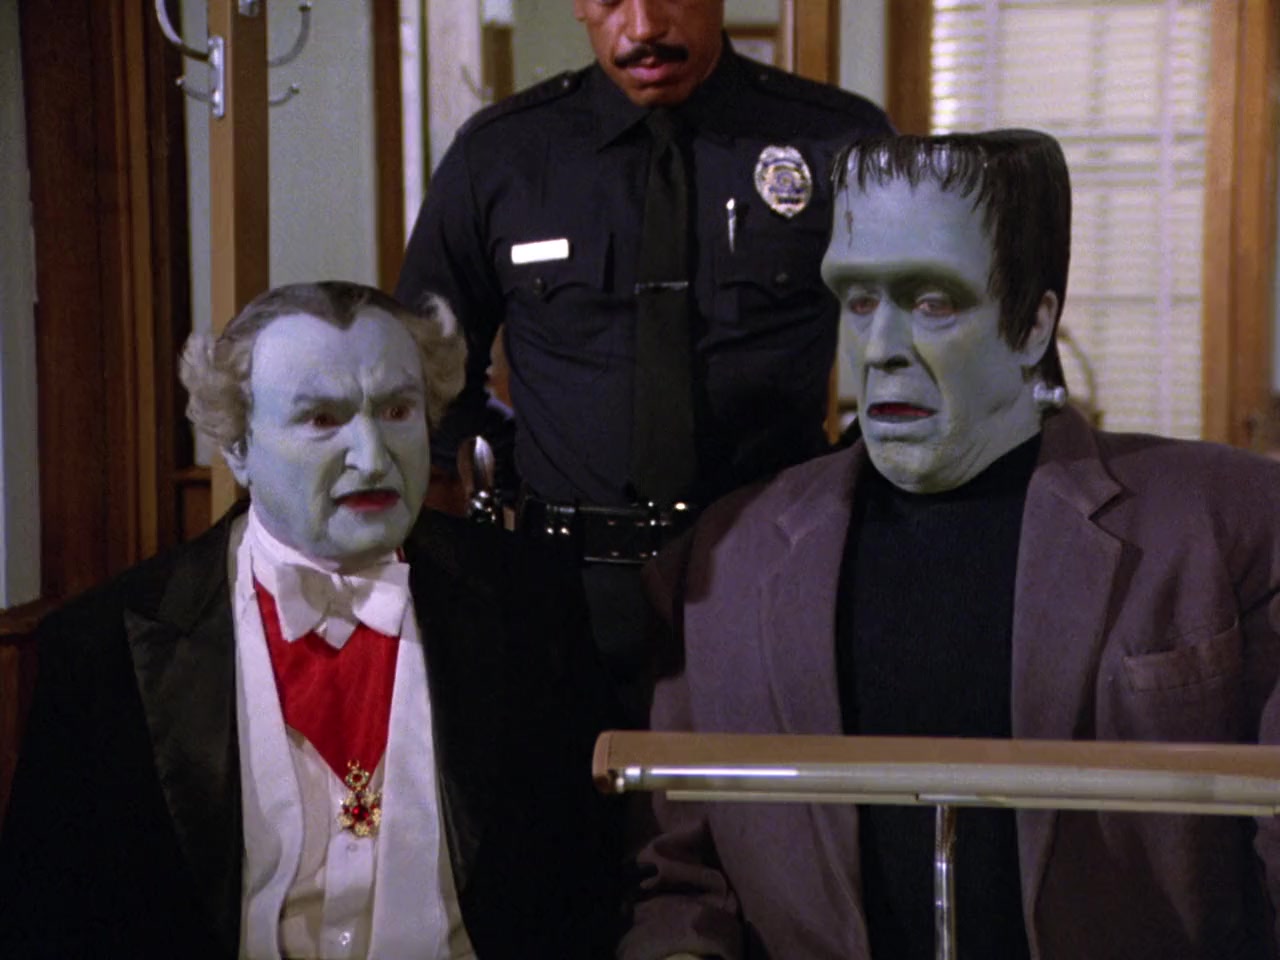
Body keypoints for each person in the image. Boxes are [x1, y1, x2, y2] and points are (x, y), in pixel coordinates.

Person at [619, 131, 1280, 959]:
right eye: (858, 301)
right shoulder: (728, 558)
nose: (880, 349)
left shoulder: (1229, 525)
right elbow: (683, 881)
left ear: (1033, 323)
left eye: (933, 302)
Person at [0, 282, 619, 958]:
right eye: (323, 419)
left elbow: (590, 884)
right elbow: (46, 922)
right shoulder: (103, 649)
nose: (373, 457)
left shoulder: (532, 606)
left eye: (397, 410)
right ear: (238, 447)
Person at [395, 0, 892, 723]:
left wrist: (844, 483)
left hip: (772, 578)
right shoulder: (503, 156)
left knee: (757, 795)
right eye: (611, 0)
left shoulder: (834, 141)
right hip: (564, 590)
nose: (643, 27)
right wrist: (524, 463)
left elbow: (917, 339)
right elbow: (423, 368)